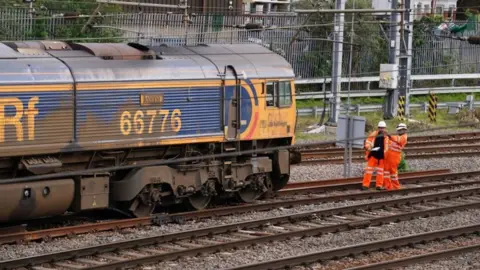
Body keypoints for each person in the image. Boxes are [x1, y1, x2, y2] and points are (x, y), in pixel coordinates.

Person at [362, 121, 389, 190]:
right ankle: (365, 185)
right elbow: (368, 142)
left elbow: (387, 147)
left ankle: (379, 186)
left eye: (382, 128)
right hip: (373, 155)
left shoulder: (387, 136)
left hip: (381, 157)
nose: (381, 129)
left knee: (380, 172)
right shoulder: (374, 134)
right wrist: (369, 147)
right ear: (378, 128)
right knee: (368, 171)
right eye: (380, 128)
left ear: (385, 128)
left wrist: (385, 155)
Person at [384, 123, 408, 190]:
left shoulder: (404, 137)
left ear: (403, 130)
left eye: (400, 130)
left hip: (395, 156)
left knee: (393, 172)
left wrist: (389, 136)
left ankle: (396, 186)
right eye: (398, 130)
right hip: (389, 155)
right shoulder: (398, 136)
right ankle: (388, 186)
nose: (398, 131)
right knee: (386, 171)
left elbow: (397, 139)